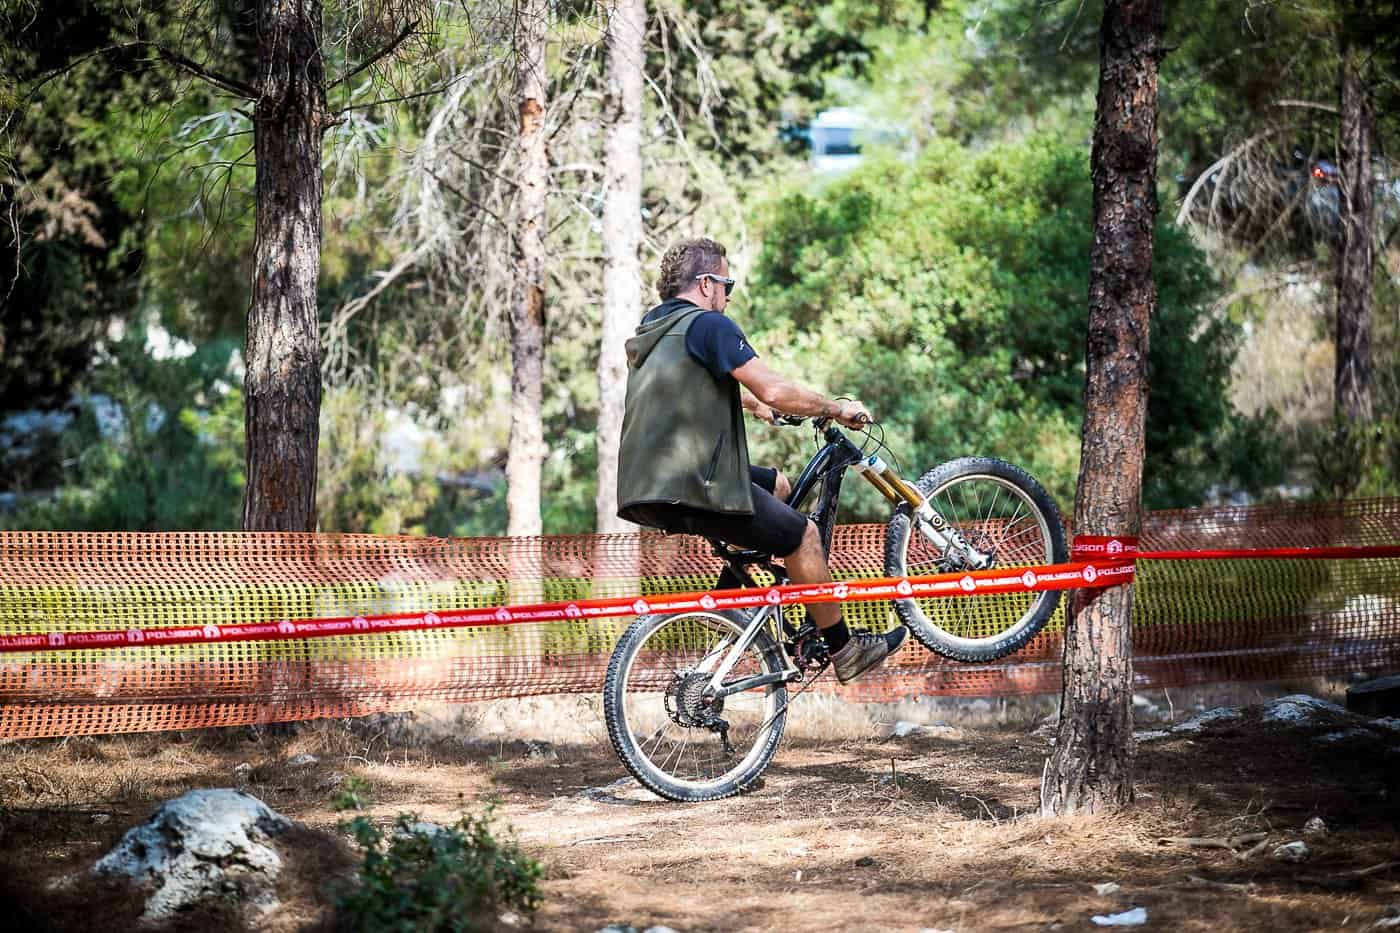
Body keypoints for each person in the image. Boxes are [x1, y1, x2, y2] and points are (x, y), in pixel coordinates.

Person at [616, 237, 908, 683]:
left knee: (778, 486)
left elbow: (689, 386)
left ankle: (733, 604)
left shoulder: (653, 330)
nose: (728, 295)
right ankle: (844, 649)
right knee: (803, 536)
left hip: (646, 484)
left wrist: (754, 406)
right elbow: (772, 387)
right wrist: (834, 408)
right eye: (726, 284)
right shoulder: (709, 325)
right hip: (695, 483)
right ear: (706, 284)